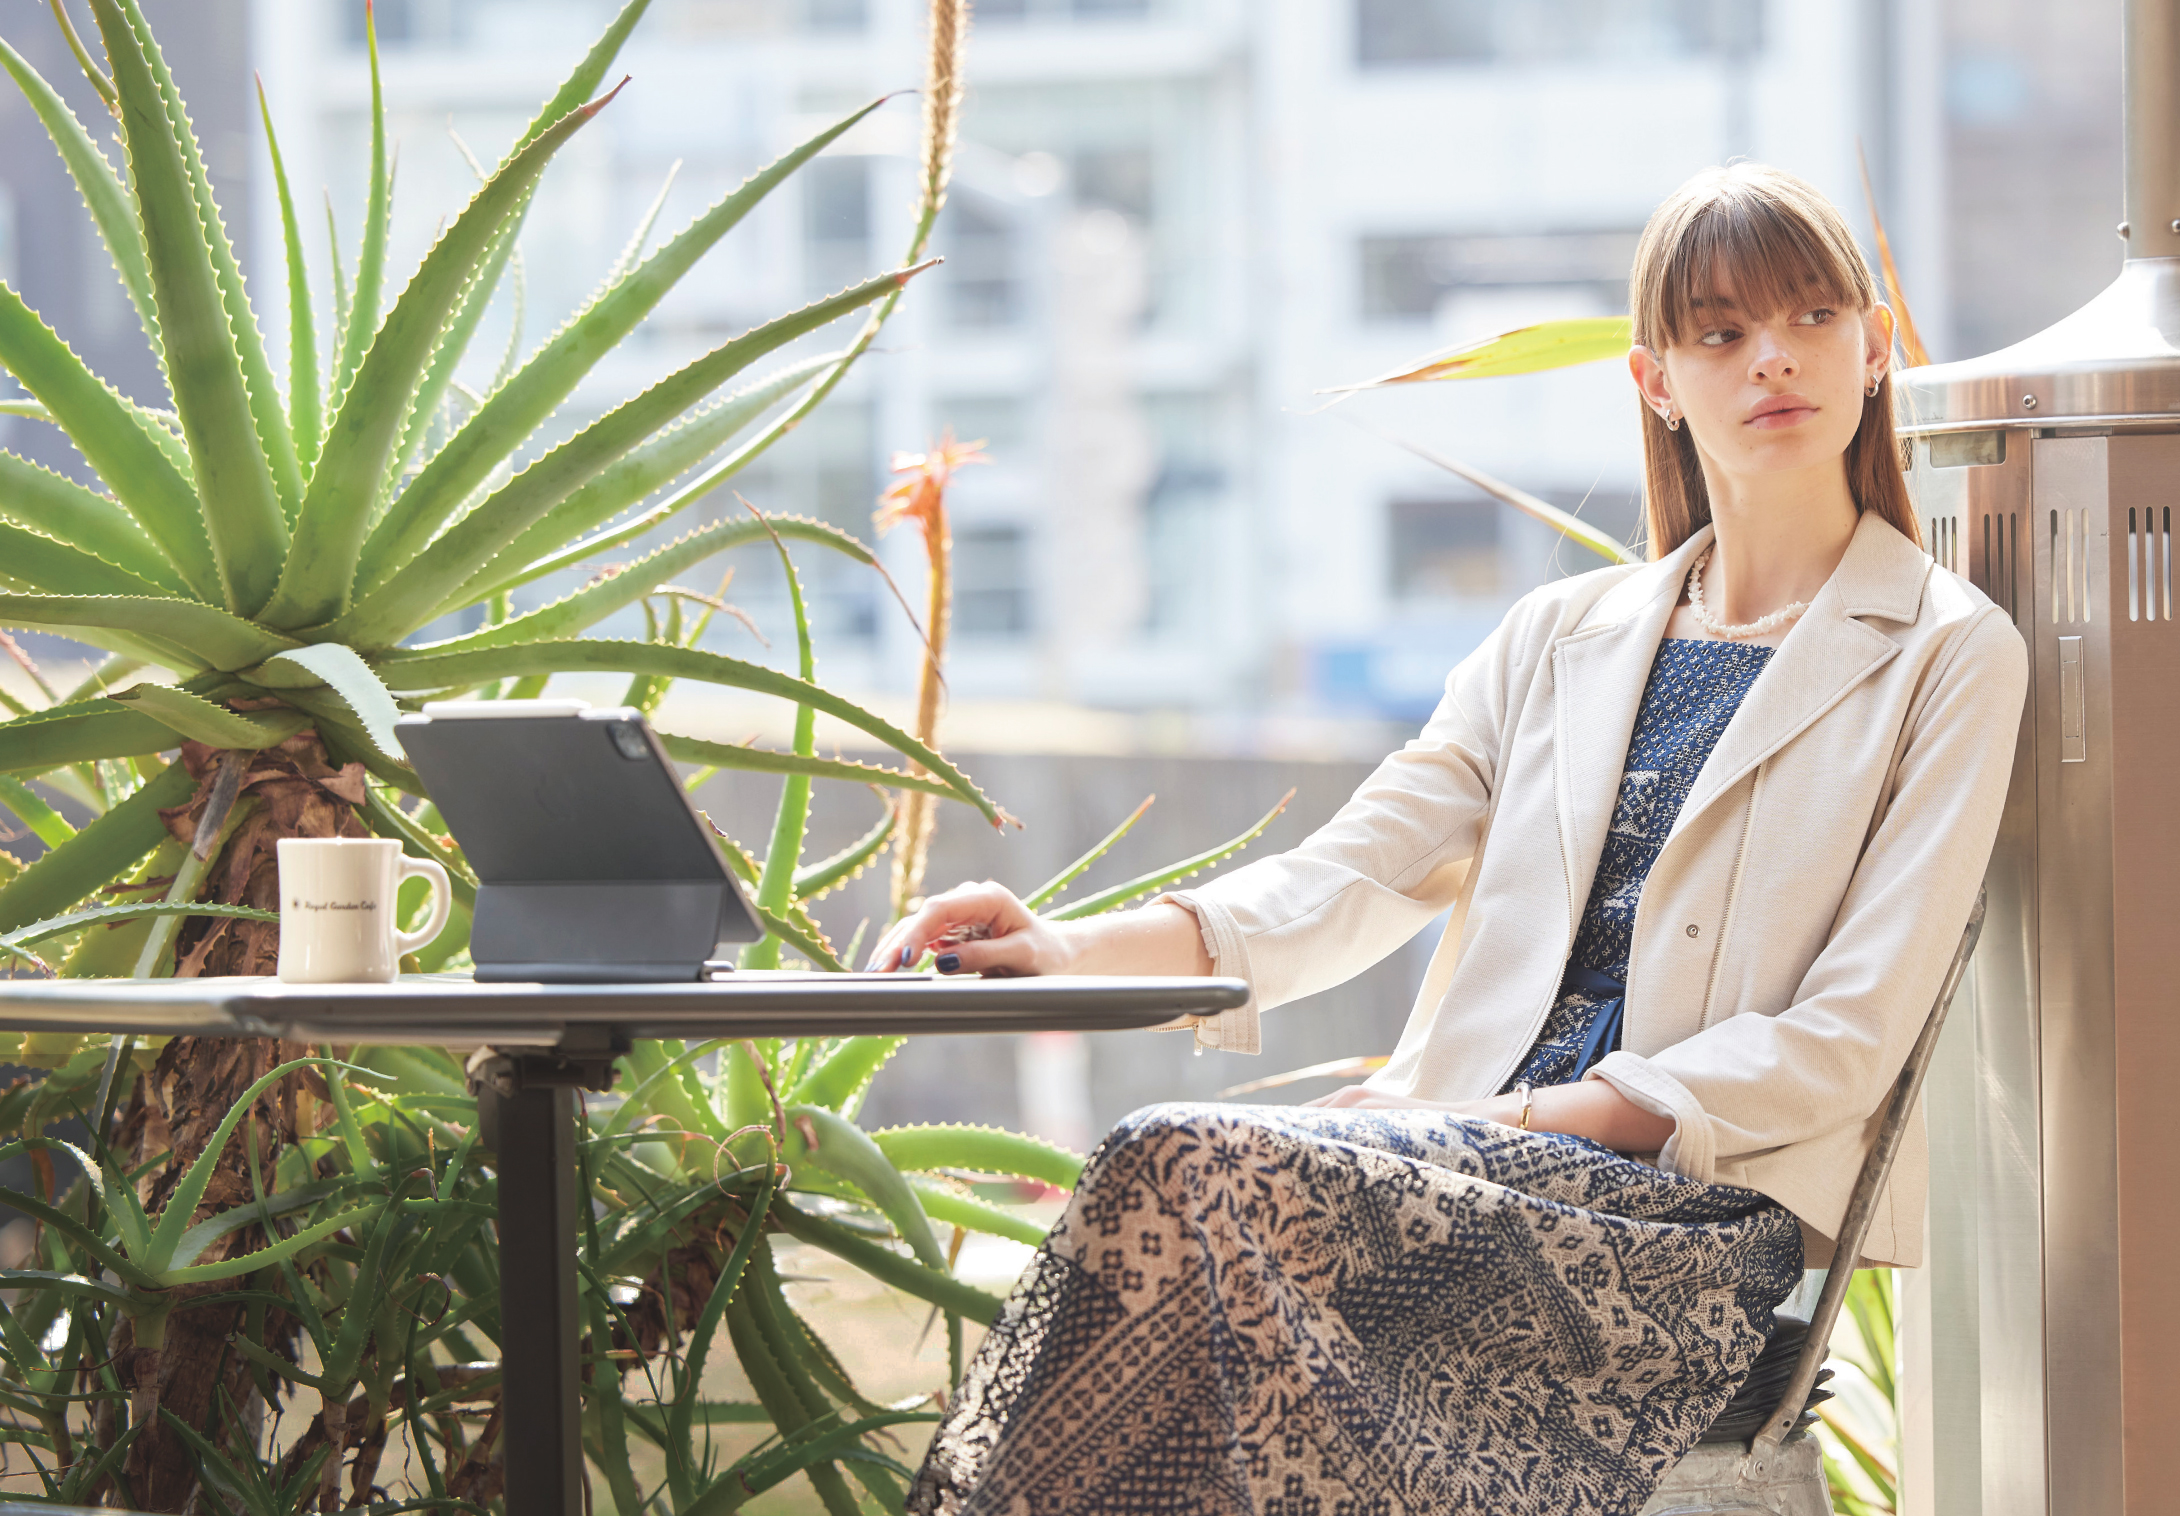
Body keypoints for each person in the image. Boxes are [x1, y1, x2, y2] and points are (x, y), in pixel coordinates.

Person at [874, 162, 2026, 1516]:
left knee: (1186, 1162)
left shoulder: (1947, 652)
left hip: (1682, 1230)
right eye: (1721, 332)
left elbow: (1843, 1039)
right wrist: (1067, 948)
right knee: (1175, 1192)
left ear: (1873, 348)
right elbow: (1349, 874)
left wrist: (1488, 1117)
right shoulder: (1559, 640)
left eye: (1813, 317)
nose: (1772, 357)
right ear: (1658, 382)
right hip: (1457, 1167)